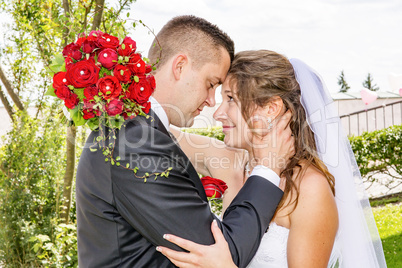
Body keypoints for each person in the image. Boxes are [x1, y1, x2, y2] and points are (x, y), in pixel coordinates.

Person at [76, 16, 294, 267]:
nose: (212, 102)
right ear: (180, 66)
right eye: (211, 84)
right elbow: (221, 255)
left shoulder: (138, 129)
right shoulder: (137, 139)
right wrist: (268, 168)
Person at [157, 50, 387, 267]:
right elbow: (154, 127)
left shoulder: (308, 188)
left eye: (230, 99)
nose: (217, 113)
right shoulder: (228, 160)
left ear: (271, 108)